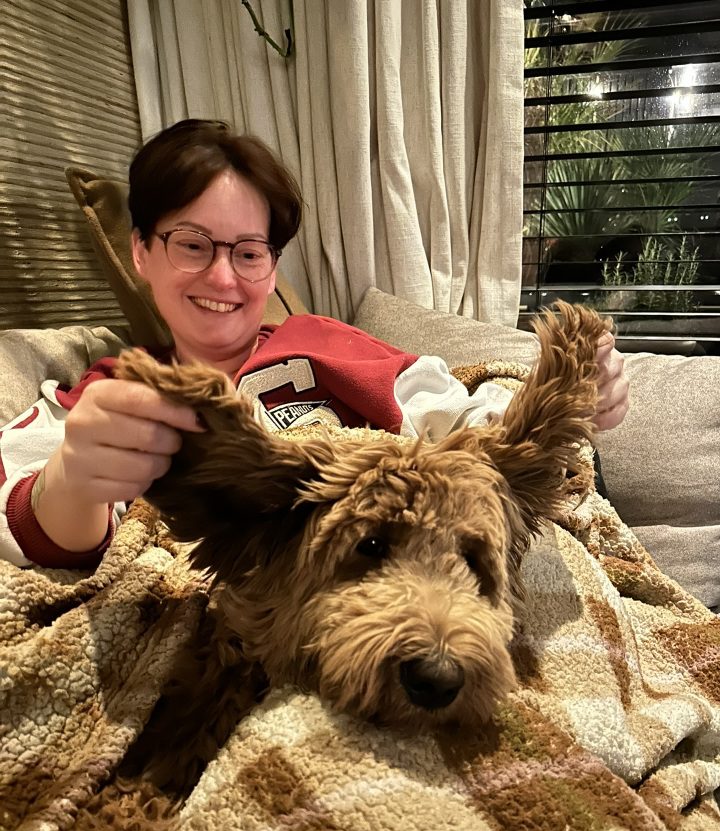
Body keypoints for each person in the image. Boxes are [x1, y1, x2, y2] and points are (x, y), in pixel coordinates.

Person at [0, 119, 629, 571]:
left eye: (248, 253)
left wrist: (573, 406)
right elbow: (23, 519)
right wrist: (75, 483)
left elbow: (470, 424)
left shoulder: (324, 345)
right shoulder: (109, 390)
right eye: (192, 244)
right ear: (141, 249)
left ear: (272, 268)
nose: (223, 278)